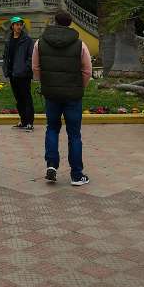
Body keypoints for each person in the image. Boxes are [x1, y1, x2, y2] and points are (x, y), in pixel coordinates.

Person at [33, 10, 93, 186]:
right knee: (74, 134)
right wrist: (79, 86)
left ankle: (51, 165)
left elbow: (36, 68)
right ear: (70, 23)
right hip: (73, 95)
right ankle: (76, 174)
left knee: (52, 128)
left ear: (54, 21)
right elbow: (87, 70)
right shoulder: (80, 44)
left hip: (51, 94)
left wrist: (45, 82)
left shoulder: (40, 43)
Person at [3, 16, 35, 131]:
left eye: (20, 24)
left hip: (23, 74)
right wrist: (5, 69)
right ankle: (23, 121)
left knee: (26, 98)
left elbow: (31, 57)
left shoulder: (27, 40)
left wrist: (25, 68)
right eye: (16, 24)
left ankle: (30, 122)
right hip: (12, 73)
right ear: (12, 26)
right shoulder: (9, 39)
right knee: (19, 99)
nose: (19, 27)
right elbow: (6, 55)